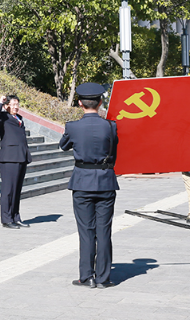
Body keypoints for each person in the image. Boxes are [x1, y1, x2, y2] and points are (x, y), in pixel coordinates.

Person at [59, 82, 119, 289]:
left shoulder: (72, 126)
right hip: (105, 181)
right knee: (104, 231)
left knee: (86, 231)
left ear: (80, 103)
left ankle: (86, 276)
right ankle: (103, 278)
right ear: (101, 102)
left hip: (82, 182)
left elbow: (63, 146)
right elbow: (114, 154)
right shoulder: (111, 126)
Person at [0, 94, 30, 229]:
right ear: (7, 106)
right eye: (13, 104)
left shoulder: (19, 119)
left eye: (17, 104)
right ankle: (6, 219)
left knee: (17, 190)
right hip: (9, 158)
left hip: (21, 157)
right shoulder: (3, 117)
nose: (15, 107)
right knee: (8, 190)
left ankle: (15, 216)